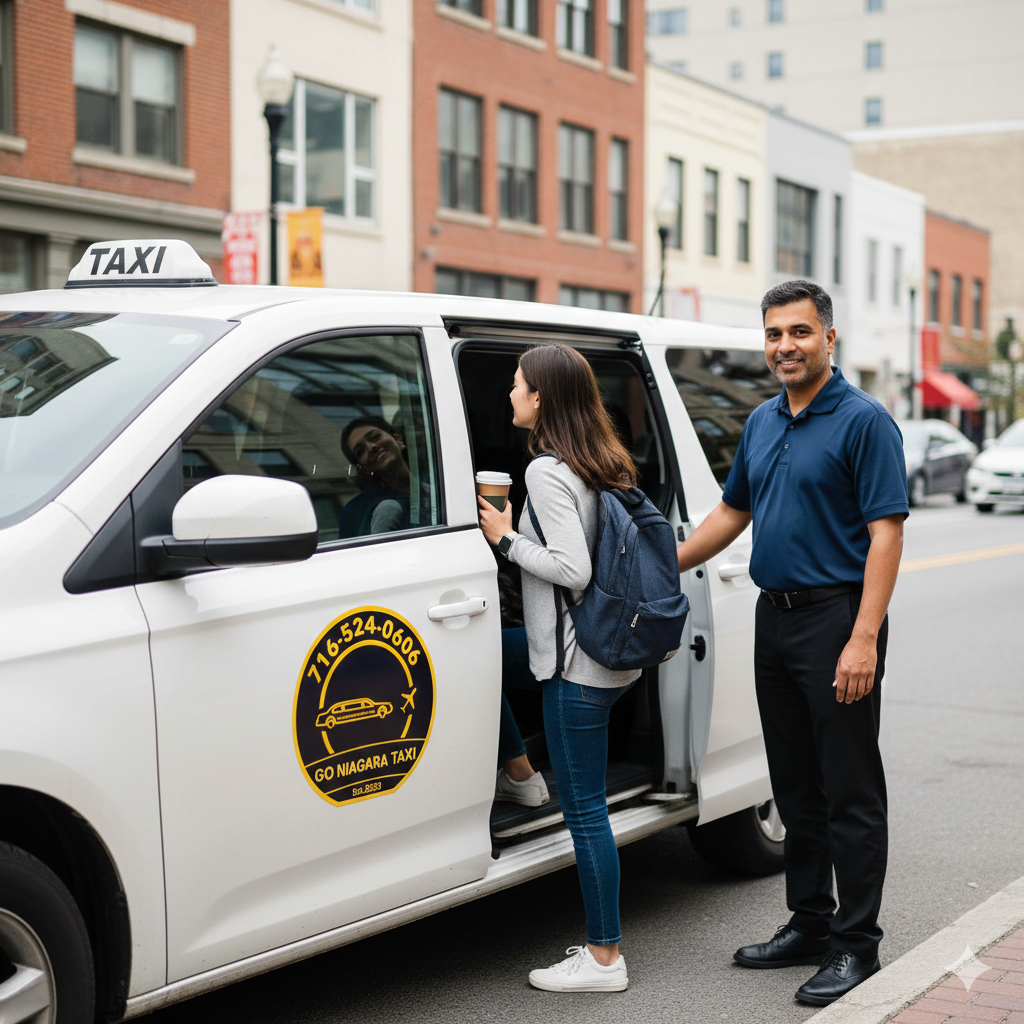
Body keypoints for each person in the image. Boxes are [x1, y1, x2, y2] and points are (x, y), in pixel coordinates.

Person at [675, 280, 907, 1006]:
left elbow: (886, 534)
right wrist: (661, 561)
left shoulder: (865, 421)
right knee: (796, 786)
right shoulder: (763, 422)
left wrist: (863, 637)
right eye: (774, 334)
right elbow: (731, 511)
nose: (785, 346)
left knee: (850, 791)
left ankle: (856, 947)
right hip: (774, 621)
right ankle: (809, 924)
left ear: (828, 339)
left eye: (800, 333)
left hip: (838, 621)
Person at [478, 344, 638, 993]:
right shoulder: (596, 460)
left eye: (517, 386)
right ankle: (519, 774)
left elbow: (575, 570)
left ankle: (605, 959)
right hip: (599, 658)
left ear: (541, 398)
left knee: (587, 813)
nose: (510, 395)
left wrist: (505, 539)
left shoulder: (546, 470)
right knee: (476, 666)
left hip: (574, 670)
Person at [339, 416, 425, 538]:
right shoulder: (357, 512)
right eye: (360, 451)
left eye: (375, 437)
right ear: (364, 469)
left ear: (397, 439)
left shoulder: (441, 486)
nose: (371, 447)